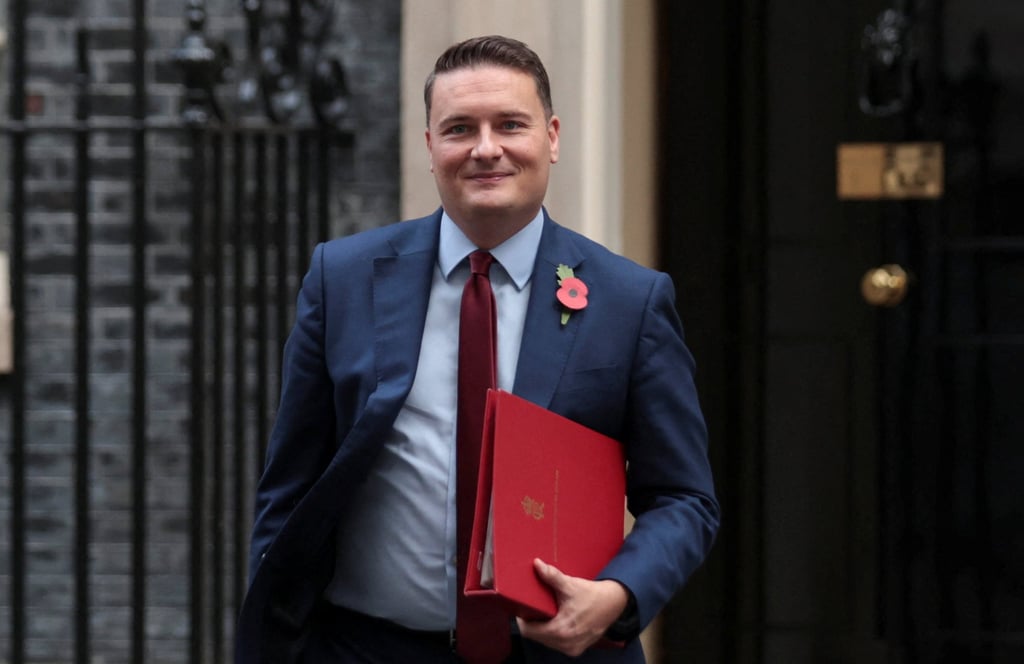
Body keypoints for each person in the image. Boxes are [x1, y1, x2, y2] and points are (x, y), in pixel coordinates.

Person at [234, 35, 719, 664]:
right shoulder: (344, 278)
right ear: (430, 146)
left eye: (509, 125)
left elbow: (684, 499)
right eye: (460, 128)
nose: (486, 149)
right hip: (367, 648)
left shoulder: (630, 300)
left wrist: (618, 593)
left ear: (551, 137)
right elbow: (289, 488)